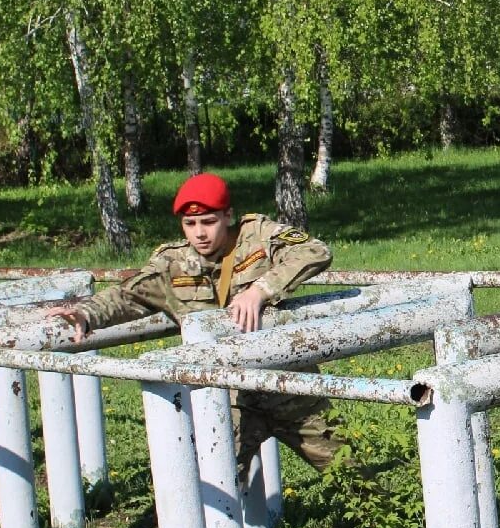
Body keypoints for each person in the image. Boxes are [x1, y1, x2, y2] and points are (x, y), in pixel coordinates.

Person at [48, 172, 340, 471]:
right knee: (211, 484)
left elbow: (315, 251)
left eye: (208, 222)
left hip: (287, 385)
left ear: (228, 216)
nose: (199, 233)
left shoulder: (257, 236)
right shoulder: (172, 264)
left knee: (352, 476)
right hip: (227, 399)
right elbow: (128, 297)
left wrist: (260, 290)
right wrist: (85, 313)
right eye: (190, 224)